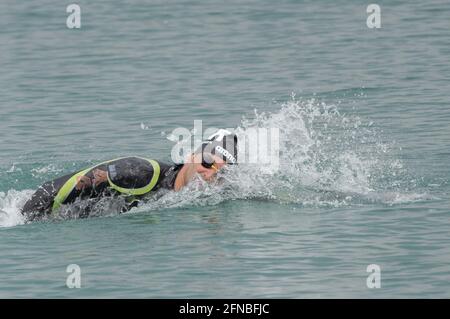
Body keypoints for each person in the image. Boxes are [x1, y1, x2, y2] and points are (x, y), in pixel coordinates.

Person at [21, 130, 238, 222]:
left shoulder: (202, 199)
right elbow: (59, 187)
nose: (209, 174)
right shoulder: (140, 172)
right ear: (192, 155)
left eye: (220, 172)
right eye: (207, 162)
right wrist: (24, 220)